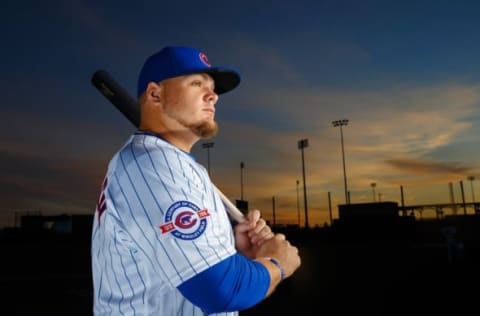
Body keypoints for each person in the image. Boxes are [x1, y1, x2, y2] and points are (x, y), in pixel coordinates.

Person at [91, 46, 301, 315]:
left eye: (213, 87)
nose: (213, 95)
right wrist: (277, 264)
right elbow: (219, 289)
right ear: (155, 94)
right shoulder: (153, 165)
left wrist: (231, 250)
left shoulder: (173, 164)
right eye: (197, 83)